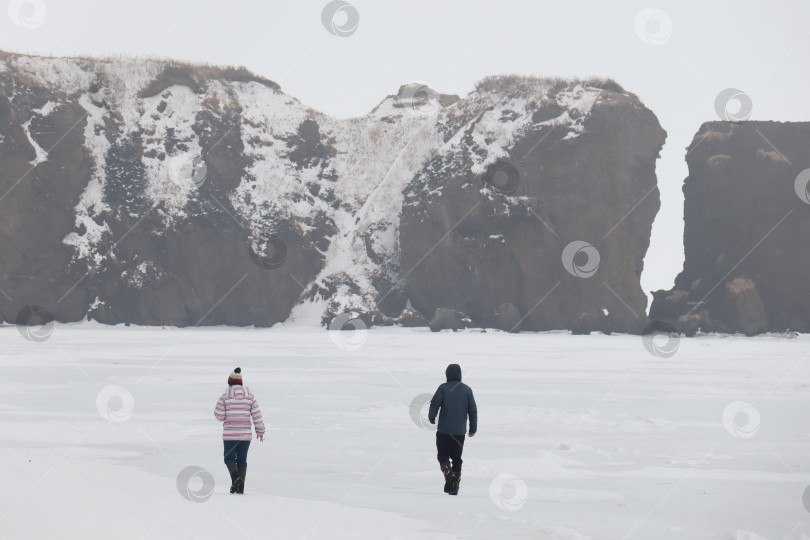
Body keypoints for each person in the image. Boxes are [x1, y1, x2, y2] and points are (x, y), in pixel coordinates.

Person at [214, 367, 265, 494]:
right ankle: (240, 488)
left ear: (229, 383)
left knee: (229, 458)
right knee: (242, 459)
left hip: (230, 434)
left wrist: (228, 415)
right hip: (245, 435)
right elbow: (256, 415)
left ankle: (236, 478)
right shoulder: (250, 397)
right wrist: (260, 431)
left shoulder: (225, 397)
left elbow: (218, 415)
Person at [428, 363, 477, 495]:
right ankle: (455, 486)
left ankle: (449, 476)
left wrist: (431, 417)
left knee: (442, 456)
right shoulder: (467, 390)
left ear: (447, 375)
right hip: (459, 432)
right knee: (457, 458)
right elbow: (473, 411)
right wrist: (473, 428)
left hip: (444, 431)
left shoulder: (443, 388)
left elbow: (434, 404)